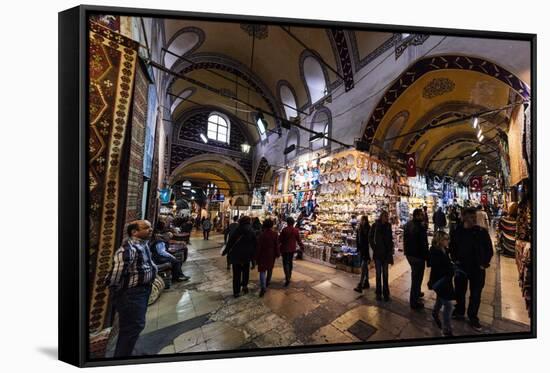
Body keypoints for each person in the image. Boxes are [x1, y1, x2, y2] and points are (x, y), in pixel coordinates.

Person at [105, 220, 157, 357]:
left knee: (135, 325)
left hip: (142, 291)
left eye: (150, 227)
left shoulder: (142, 246)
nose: (150, 230)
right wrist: (118, 291)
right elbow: (116, 274)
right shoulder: (128, 250)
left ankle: (130, 352)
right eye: (146, 228)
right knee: (132, 326)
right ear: (134, 232)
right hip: (132, 294)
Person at [449, 207, 493, 331]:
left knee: (475, 294)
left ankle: (473, 317)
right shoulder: (457, 231)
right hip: (461, 268)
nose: (473, 219)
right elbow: (452, 246)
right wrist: (455, 259)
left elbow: (489, 250)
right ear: (463, 217)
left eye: (474, 217)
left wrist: (484, 263)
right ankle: (459, 311)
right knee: (459, 292)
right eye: (470, 217)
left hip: (477, 270)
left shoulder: (481, 232)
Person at [427, 231, 455, 336]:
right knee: (448, 305)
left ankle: (435, 313)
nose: (448, 241)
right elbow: (438, 268)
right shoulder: (435, 251)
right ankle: (446, 329)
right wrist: (451, 269)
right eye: (446, 239)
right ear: (440, 241)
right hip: (440, 281)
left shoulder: (444, 249)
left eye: (448, 239)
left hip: (445, 280)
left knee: (440, 298)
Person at [224, 216, 257, 297]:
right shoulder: (251, 231)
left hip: (236, 256)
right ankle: (244, 286)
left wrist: (225, 251)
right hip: (247, 256)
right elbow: (255, 245)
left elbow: (231, 242)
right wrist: (254, 259)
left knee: (236, 274)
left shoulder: (237, 230)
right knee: (246, 272)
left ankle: (236, 292)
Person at [404, 208, 430, 309]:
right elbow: (423, 243)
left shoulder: (408, 224)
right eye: (421, 215)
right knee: (417, 278)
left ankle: (417, 292)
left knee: (416, 276)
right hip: (418, 256)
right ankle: (414, 302)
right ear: (417, 216)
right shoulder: (419, 227)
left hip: (410, 255)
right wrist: (427, 256)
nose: (423, 216)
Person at [368, 211, 394, 301]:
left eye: (387, 216)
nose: (386, 218)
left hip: (386, 254)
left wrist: (390, 250)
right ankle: (378, 293)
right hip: (378, 254)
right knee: (378, 275)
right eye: (385, 216)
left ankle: (386, 293)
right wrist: (374, 247)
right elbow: (370, 237)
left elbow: (390, 239)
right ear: (381, 217)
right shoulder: (375, 226)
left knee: (385, 275)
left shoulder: (388, 226)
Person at [255, 219, 280, 297]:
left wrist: (256, 257)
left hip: (263, 255)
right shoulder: (275, 234)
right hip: (271, 254)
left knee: (262, 271)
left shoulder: (261, 235)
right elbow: (276, 245)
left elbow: (258, 247)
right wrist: (277, 253)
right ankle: (268, 281)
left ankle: (263, 286)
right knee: (270, 268)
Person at [279, 217, 304, 287]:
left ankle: (287, 277)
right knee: (290, 262)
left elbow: (280, 240)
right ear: (293, 223)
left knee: (285, 263)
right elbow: (299, 240)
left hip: (284, 249)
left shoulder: (284, 230)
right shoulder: (296, 230)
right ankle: (289, 275)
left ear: (287, 222)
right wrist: (302, 246)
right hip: (292, 249)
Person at [354, 215, 371, 293]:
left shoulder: (369, 228)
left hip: (367, 251)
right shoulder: (359, 228)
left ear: (366, 221)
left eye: (364, 220)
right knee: (365, 267)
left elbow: (370, 240)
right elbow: (357, 239)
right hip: (361, 250)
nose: (363, 221)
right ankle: (366, 282)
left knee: (363, 266)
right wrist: (358, 249)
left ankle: (360, 284)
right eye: (362, 220)